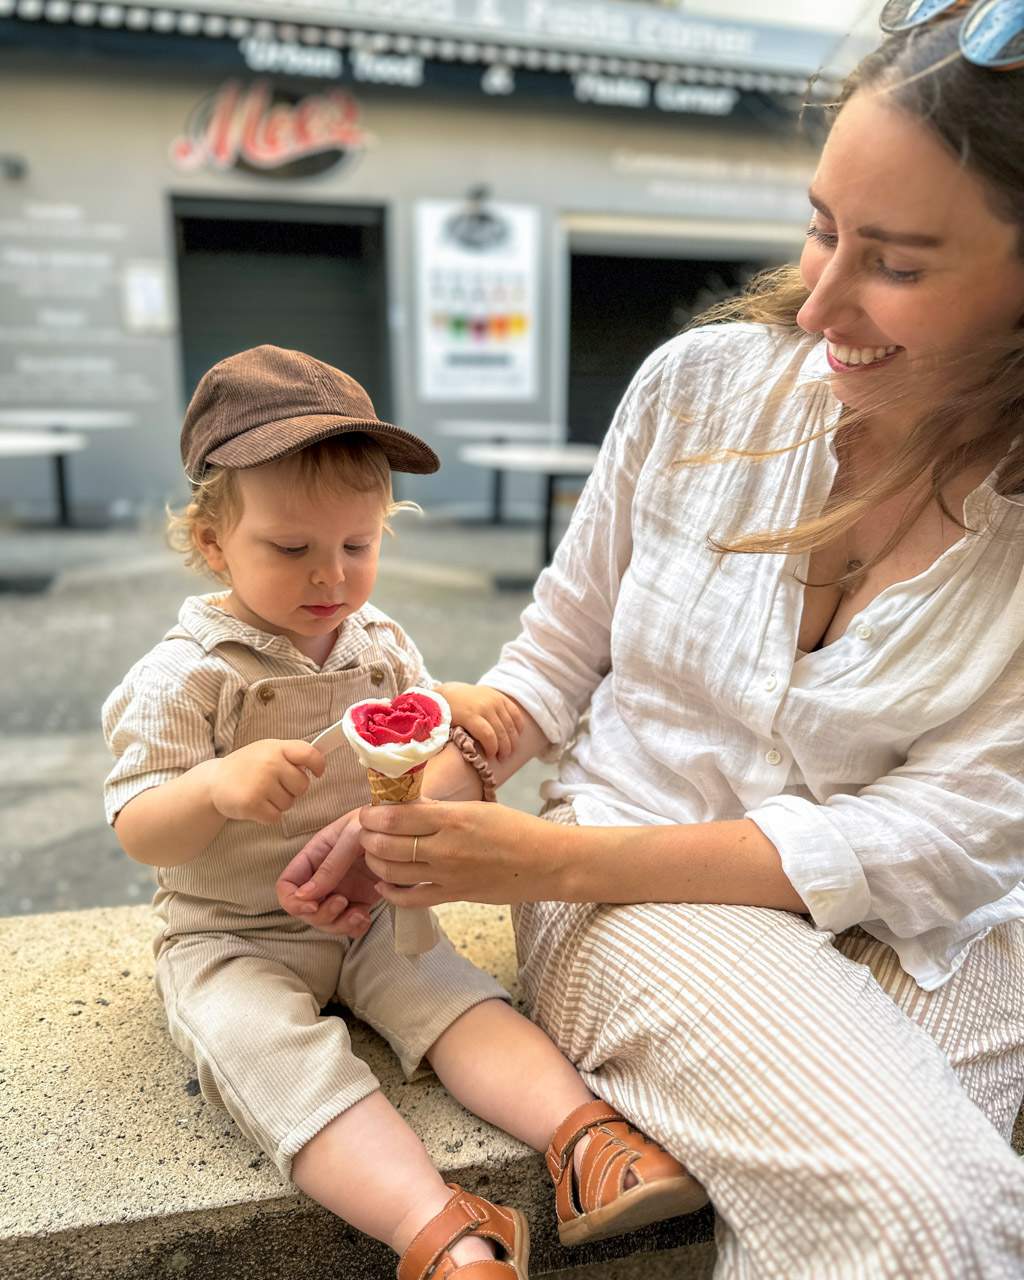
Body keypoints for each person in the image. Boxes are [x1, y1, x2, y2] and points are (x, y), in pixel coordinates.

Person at [278, 15, 1024, 1278]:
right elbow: (551, 662)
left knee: (920, 1222)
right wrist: (442, 804)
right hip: (626, 894)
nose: (823, 301)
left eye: (893, 261)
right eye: (821, 227)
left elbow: (947, 834)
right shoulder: (698, 388)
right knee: (930, 1215)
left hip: (946, 924)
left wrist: (529, 856)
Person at [100, 345, 706, 1280]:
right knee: (267, 1054)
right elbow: (138, 822)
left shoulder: (377, 643)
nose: (331, 577)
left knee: (459, 999)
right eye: (291, 549)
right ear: (215, 543)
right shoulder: (185, 676)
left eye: (359, 544)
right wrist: (212, 789)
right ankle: (440, 1232)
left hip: (375, 910)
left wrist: (452, 699)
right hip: (233, 933)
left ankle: (587, 1141)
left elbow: (411, 721)